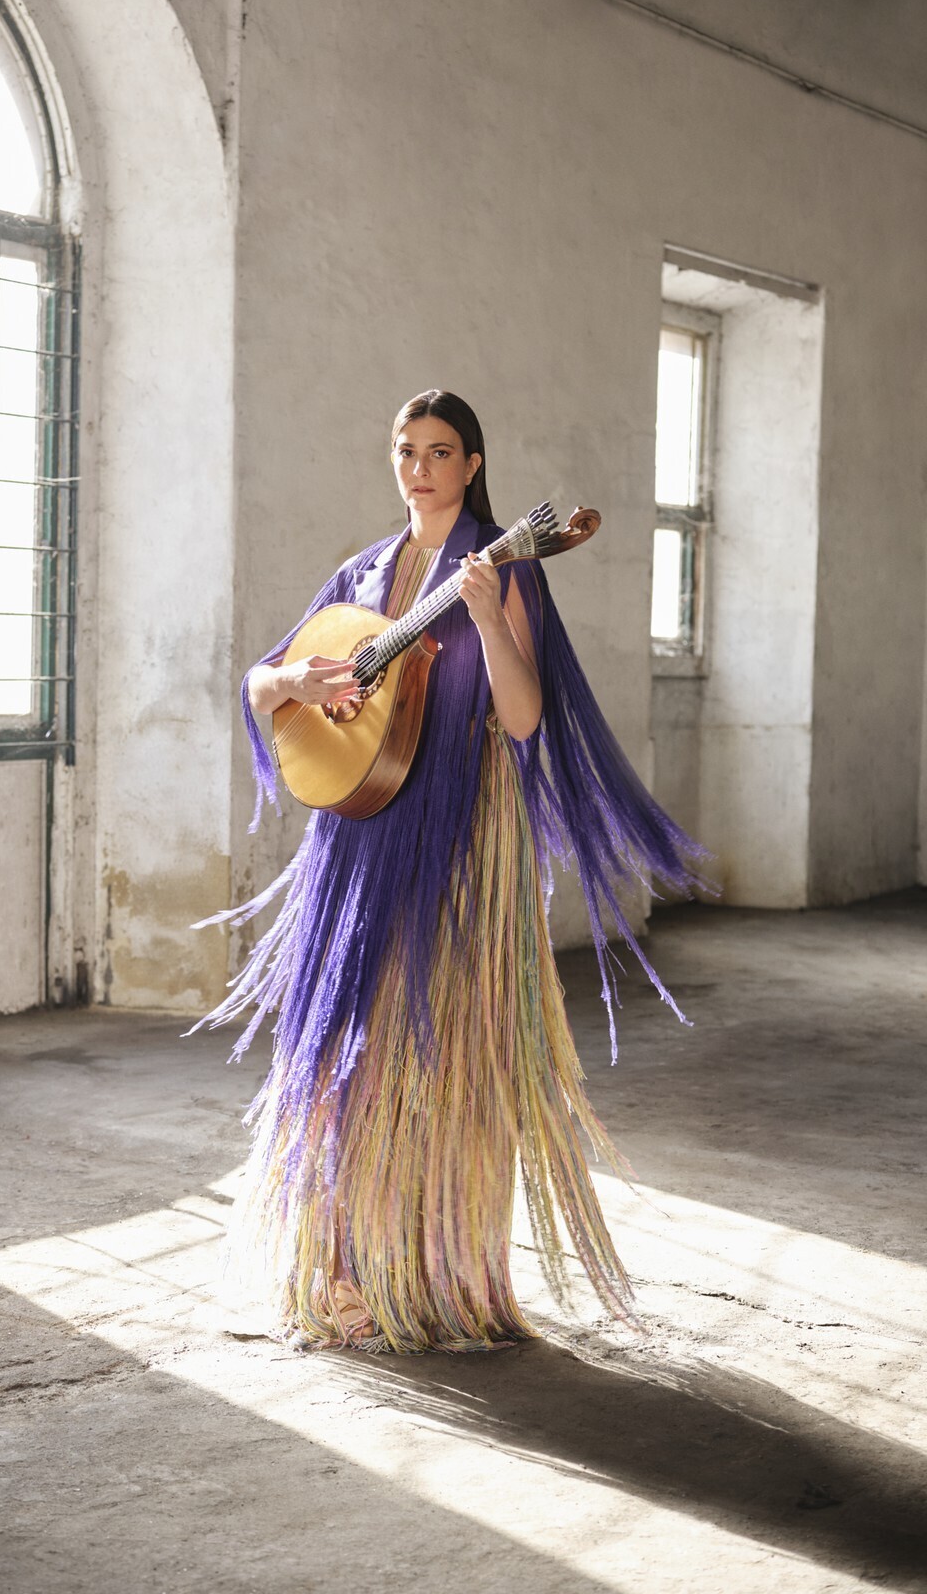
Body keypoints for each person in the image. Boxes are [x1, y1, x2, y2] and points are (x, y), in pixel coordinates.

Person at [196, 389, 706, 1353]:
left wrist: (489, 618)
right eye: (406, 450)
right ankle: (342, 1273)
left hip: (465, 826)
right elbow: (262, 681)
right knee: (351, 1053)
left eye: (440, 451)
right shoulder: (361, 574)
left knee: (441, 1054)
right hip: (361, 827)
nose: (420, 468)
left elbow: (523, 717)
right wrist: (298, 681)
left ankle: (433, 1278)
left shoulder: (503, 568)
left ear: (473, 465)